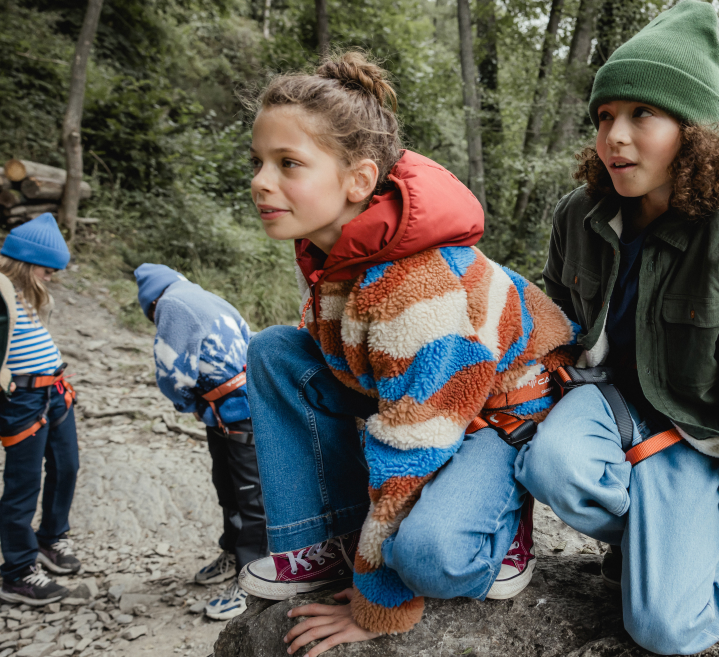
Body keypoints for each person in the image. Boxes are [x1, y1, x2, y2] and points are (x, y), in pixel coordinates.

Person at [513, 1, 719, 657]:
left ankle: (709, 538)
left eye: (641, 115)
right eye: (604, 117)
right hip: (608, 407)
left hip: (694, 437)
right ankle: (645, 539)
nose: (614, 137)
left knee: (666, 630)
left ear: (695, 131)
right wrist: (549, 351)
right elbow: (557, 313)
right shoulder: (580, 213)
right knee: (550, 464)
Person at [237, 49, 578, 655]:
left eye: (288, 163)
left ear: (359, 181)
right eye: (259, 161)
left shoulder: (415, 290)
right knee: (274, 351)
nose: (261, 181)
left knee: (430, 556)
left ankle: (502, 527)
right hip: (425, 406)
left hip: (499, 414)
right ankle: (324, 540)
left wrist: (378, 606)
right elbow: (351, 360)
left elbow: (407, 455)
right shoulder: (334, 251)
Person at [134, 263, 267, 621]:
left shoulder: (172, 306)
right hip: (231, 406)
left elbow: (170, 371)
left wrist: (187, 403)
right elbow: (249, 337)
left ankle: (254, 578)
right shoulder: (204, 296)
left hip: (237, 409)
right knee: (228, 484)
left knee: (248, 493)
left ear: (150, 304)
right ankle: (233, 552)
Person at [0, 213, 81, 606]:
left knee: (67, 466)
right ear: (26, 261)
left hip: (55, 392)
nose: (51, 277)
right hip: (24, 400)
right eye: (47, 270)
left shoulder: (29, 293)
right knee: (22, 485)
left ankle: (50, 538)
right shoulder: (0, 289)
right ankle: (17, 571)